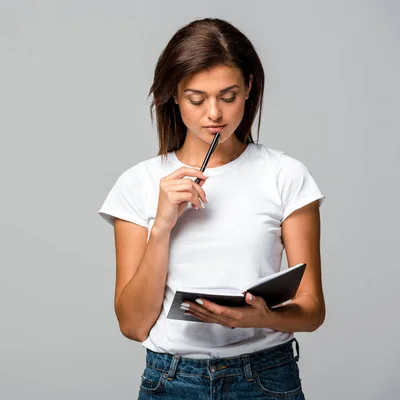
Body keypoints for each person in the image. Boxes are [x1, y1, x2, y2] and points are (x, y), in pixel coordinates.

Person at [98, 18, 325, 399]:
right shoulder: (138, 183)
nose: (214, 114)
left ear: (249, 87)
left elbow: (312, 309)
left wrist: (264, 317)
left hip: (266, 377)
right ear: (173, 94)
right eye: (197, 99)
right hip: (171, 380)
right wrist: (163, 226)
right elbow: (134, 325)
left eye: (229, 96)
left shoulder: (285, 175)